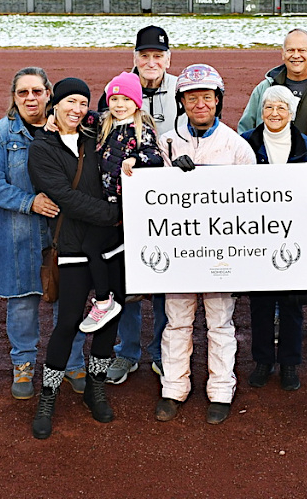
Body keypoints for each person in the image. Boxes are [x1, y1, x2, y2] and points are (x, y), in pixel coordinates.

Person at [0, 67, 88, 401]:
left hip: (63, 230)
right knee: (23, 300)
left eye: (37, 92)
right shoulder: (0, 133)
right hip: (18, 231)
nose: (30, 98)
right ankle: (23, 364)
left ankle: (72, 361)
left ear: (48, 94)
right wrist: (29, 202)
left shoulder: (69, 127)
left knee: (67, 297)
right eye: (22, 92)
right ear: (14, 97)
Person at [155, 64, 256, 425]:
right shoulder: (165, 141)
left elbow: (252, 206)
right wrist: (166, 172)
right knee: (177, 323)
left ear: (218, 101)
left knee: (220, 324)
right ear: (181, 102)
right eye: (192, 97)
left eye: (207, 97)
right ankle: (173, 389)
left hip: (220, 254)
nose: (200, 104)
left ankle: (221, 390)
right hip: (179, 254)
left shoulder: (237, 146)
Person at [27, 78, 124, 440]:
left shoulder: (95, 137)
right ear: (55, 104)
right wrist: (114, 213)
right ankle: (48, 396)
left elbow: (126, 121)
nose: (76, 109)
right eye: (70, 101)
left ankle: (94, 387)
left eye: (83, 102)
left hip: (109, 246)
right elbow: (64, 196)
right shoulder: (42, 148)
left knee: (108, 320)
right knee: (67, 322)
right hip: (71, 245)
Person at [237, 28, 307, 351]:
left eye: (302, 50)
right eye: (290, 50)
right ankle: (276, 312)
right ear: (282, 53)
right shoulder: (264, 89)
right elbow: (245, 131)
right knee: (273, 247)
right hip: (271, 187)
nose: (296, 55)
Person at [103, 25, 177, 385]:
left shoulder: (181, 88)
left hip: (167, 205)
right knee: (128, 282)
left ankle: (162, 352)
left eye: (158, 56)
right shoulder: (118, 91)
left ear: (168, 58)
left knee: (163, 278)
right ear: (135, 58)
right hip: (125, 207)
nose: (151, 62)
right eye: (144, 56)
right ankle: (128, 351)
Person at [240, 85, 307, 392]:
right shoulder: (246, 144)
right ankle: (262, 361)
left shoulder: (306, 146)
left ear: (292, 113)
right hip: (255, 236)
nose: (274, 113)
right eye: (269, 108)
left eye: (281, 108)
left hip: (293, 236)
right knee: (260, 302)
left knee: (290, 303)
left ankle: (289, 363)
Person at [78, 72, 164, 334]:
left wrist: (136, 160)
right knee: (98, 248)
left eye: (125, 98)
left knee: (93, 246)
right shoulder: (104, 123)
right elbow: (79, 115)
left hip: (126, 205)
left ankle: (105, 300)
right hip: (105, 202)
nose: (119, 104)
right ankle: (113, 292)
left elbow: (156, 157)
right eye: (114, 98)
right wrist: (51, 119)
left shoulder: (142, 129)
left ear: (136, 102)